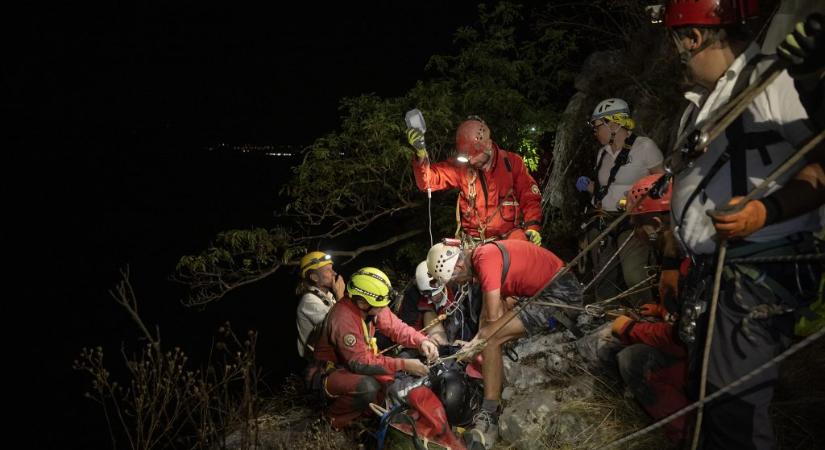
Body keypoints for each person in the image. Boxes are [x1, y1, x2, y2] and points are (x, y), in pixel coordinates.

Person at [661, 1, 824, 448]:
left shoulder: (772, 80)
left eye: (677, 41)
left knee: (735, 413)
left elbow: (819, 168)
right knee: (703, 402)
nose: (676, 52)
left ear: (692, 37)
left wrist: (764, 212)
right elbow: (687, 191)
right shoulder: (697, 107)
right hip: (712, 276)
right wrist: (669, 263)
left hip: (755, 272)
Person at [426, 240, 582, 449]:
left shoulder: (486, 260)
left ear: (459, 266)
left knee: (491, 338)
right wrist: (473, 343)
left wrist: (476, 345)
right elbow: (487, 317)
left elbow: (492, 322)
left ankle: (489, 411)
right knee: (489, 335)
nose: (461, 284)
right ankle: (490, 402)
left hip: (560, 296)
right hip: (553, 290)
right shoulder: (484, 257)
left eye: (456, 280)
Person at [609, 174, 691, 444]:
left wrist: (632, 328)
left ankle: (687, 434)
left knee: (632, 361)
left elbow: (681, 338)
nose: (637, 234)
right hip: (698, 347)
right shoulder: (676, 252)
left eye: (638, 226)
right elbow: (681, 313)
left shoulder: (690, 265)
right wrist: (658, 310)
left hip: (704, 361)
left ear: (655, 223)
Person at [309, 267, 439, 429]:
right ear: (361, 302)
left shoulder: (370, 306)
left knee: (390, 382)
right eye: (379, 306)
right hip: (329, 373)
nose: (382, 310)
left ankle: (364, 419)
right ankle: (329, 421)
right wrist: (404, 365)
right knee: (368, 387)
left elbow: (396, 328)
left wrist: (422, 341)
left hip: (352, 364)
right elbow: (359, 363)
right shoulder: (343, 318)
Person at [575, 98, 664, 305]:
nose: (595, 132)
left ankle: (646, 315)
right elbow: (607, 188)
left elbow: (663, 183)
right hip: (605, 219)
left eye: (598, 126)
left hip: (633, 219)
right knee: (602, 275)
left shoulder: (644, 147)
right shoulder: (602, 154)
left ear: (613, 125)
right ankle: (605, 317)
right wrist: (590, 188)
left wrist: (651, 216)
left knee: (633, 274)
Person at [406, 118, 544, 246]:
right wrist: (421, 155)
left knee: (523, 254)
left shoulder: (512, 163)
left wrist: (533, 227)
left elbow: (530, 198)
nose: (471, 161)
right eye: (467, 157)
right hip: (473, 243)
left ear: (488, 145)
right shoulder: (461, 167)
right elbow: (427, 181)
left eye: (474, 156)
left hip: (508, 238)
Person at [295, 251, 345, 359]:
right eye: (328, 270)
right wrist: (340, 297)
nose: (334, 273)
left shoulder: (328, 296)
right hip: (316, 365)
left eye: (332, 269)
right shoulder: (309, 301)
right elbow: (340, 327)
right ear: (314, 277)